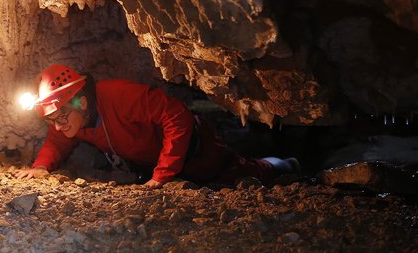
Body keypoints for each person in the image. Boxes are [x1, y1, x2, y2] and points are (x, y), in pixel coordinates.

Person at [15, 63, 299, 188]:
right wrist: (41, 165)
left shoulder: (118, 96)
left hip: (198, 150)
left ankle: (286, 165)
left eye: (60, 117)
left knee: (241, 173)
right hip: (159, 164)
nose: (58, 125)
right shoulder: (71, 121)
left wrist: (163, 174)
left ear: (81, 103)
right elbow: (58, 141)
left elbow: (176, 116)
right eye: (51, 120)